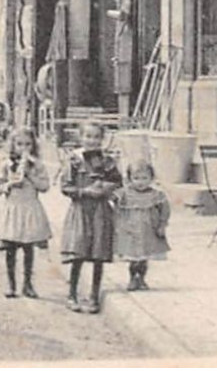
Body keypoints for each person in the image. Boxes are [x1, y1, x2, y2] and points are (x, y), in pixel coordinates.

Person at [60, 121, 121, 314]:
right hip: (81, 210)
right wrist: (84, 191)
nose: (92, 141)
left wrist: (105, 187)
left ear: (102, 139)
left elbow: (117, 181)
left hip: (101, 211)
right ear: (81, 137)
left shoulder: (108, 161)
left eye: (96, 137)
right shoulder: (74, 160)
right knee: (78, 252)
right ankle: (72, 294)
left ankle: (94, 295)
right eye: (88, 136)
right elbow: (65, 186)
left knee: (98, 253)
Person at [0, 127, 52, 299]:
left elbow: (45, 186)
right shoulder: (7, 164)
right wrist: (9, 184)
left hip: (30, 209)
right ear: (13, 145)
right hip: (13, 208)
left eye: (27, 144)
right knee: (10, 248)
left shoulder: (38, 165)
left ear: (33, 145)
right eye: (19, 144)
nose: (23, 148)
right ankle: (11, 283)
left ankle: (28, 283)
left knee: (28, 247)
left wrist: (29, 176)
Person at [114, 159, 171, 291]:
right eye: (136, 178)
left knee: (144, 258)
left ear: (151, 178)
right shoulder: (124, 193)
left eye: (145, 178)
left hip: (149, 231)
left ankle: (142, 279)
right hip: (130, 230)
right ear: (129, 179)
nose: (140, 182)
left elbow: (165, 210)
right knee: (133, 258)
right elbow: (112, 201)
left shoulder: (157, 195)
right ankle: (133, 278)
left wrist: (162, 225)